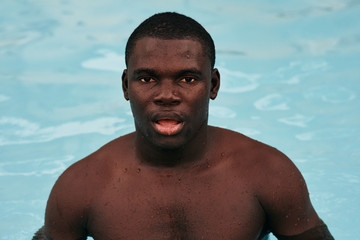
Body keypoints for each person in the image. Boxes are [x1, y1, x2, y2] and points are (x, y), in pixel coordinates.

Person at [33, 12, 334, 240]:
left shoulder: (268, 174)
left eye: (187, 78)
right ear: (126, 86)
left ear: (213, 85)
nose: (166, 96)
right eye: (147, 78)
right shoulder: (81, 187)